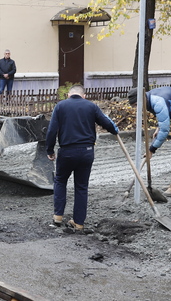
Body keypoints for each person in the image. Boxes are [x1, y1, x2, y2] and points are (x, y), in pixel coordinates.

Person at [46, 85, 118, 233]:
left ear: (68, 95)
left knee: (60, 180)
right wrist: (113, 129)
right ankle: (78, 223)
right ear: (83, 95)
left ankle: (58, 217)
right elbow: (106, 123)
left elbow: (52, 130)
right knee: (81, 186)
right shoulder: (91, 106)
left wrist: (50, 149)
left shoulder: (61, 106)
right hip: (86, 152)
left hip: (67, 151)